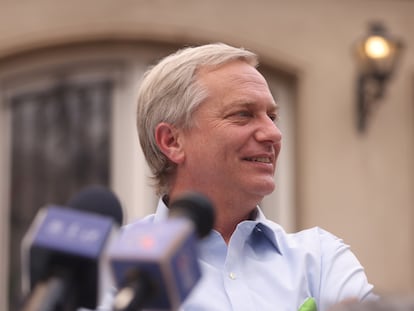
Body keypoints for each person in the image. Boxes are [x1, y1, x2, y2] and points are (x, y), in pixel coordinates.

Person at [124, 42, 376, 311]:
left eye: (272, 116)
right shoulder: (116, 265)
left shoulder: (320, 258)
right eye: (243, 115)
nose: (273, 134)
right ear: (172, 141)